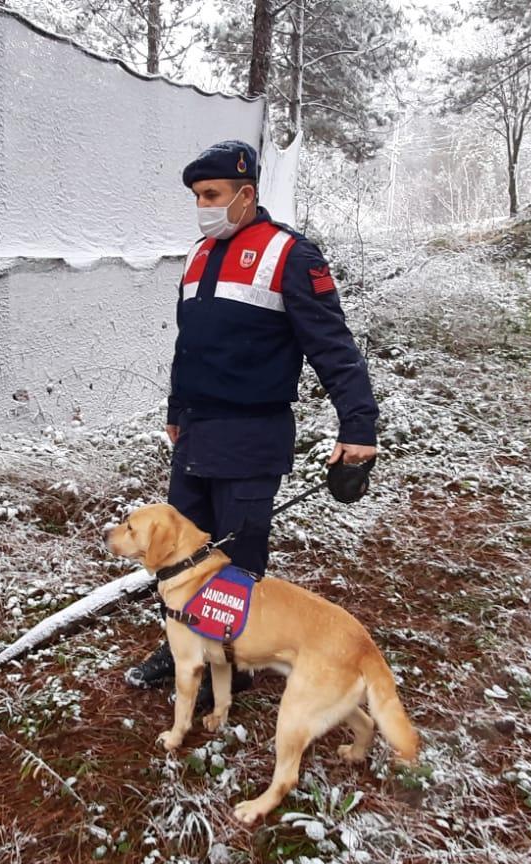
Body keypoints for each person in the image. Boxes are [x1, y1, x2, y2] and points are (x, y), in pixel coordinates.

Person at [125, 139, 380, 698]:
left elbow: (334, 348)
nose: (203, 205)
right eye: (197, 195)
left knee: (236, 557)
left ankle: (230, 665)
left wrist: (358, 427)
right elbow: (189, 344)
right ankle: (180, 649)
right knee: (179, 551)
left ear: (247, 193)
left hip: (251, 434)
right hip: (195, 432)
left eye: (212, 194)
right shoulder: (198, 255)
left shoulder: (290, 254)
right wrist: (175, 409)